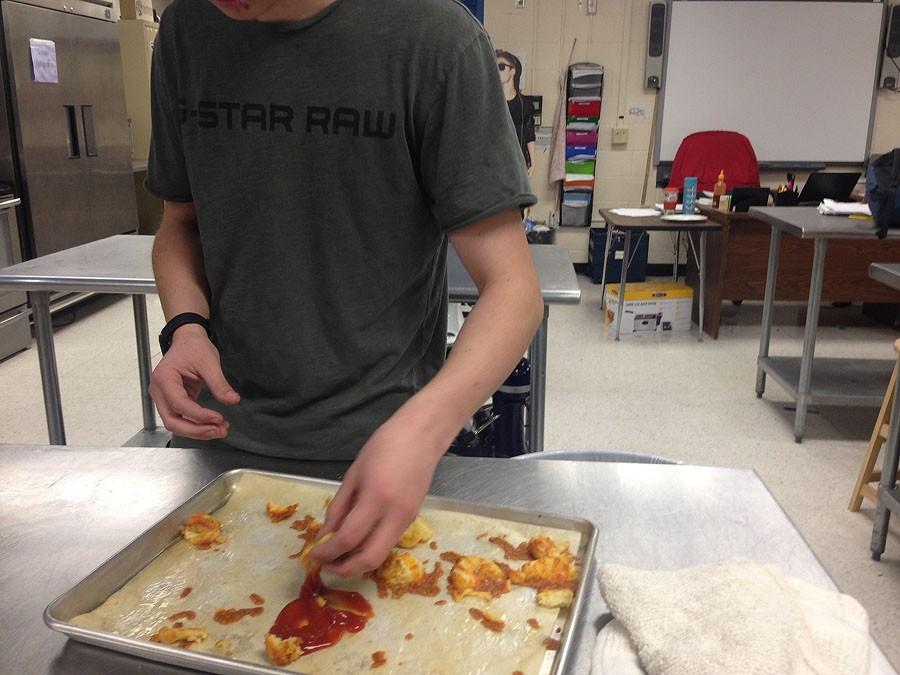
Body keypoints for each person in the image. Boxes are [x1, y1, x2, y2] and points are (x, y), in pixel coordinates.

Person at [146, 0, 543, 578]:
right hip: (217, 442)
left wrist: (422, 431)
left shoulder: (436, 38)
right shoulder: (187, 27)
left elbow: (513, 288)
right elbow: (179, 224)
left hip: (381, 451)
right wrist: (186, 328)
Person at [496, 49, 536, 176]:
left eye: (501, 67)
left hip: (518, 164)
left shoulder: (525, 104)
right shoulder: (491, 102)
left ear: (513, 71)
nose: (497, 70)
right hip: (494, 164)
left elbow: (529, 134)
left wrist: (533, 161)